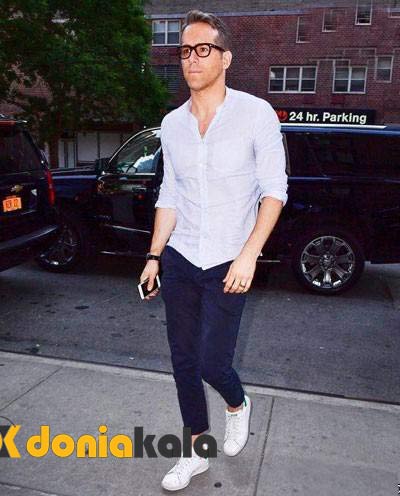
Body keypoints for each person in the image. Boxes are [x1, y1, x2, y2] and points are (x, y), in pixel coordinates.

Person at [139, 9, 288, 492]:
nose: (192, 58)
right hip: (182, 256)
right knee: (183, 361)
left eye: (203, 49)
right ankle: (196, 451)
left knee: (211, 363)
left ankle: (237, 402)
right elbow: (170, 193)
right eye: (185, 50)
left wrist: (249, 254)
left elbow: (274, 191)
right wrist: (154, 255)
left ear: (225, 58)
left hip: (229, 259)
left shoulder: (255, 114)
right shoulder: (172, 124)